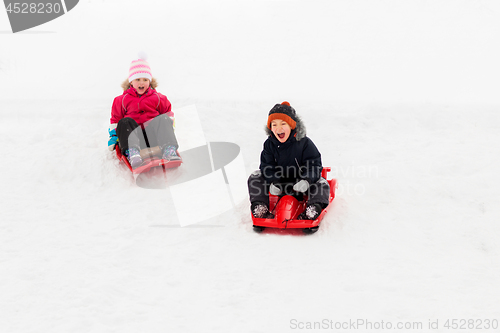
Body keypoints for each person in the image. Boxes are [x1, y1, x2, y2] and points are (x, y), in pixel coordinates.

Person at [248, 102, 330, 220]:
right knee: (255, 176)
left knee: (321, 183)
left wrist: (306, 180)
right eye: (274, 124)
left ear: (291, 125)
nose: (278, 128)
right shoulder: (269, 144)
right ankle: (260, 207)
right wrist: (273, 181)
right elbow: (267, 166)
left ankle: (313, 208)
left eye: (283, 123)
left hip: (302, 185)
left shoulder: (305, 143)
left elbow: (314, 165)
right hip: (280, 185)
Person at [107, 53, 180, 169]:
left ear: (149, 82)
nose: (141, 83)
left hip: (154, 137)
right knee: (125, 122)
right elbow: (116, 120)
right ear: (131, 82)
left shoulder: (158, 98)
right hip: (133, 138)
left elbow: (168, 114)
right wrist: (114, 137)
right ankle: (133, 153)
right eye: (137, 79)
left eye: (145, 79)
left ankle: (169, 149)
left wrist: (168, 129)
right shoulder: (121, 100)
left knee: (163, 118)